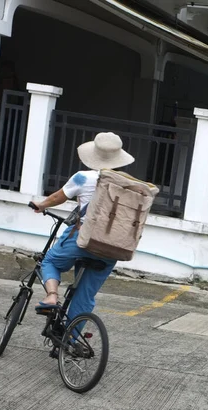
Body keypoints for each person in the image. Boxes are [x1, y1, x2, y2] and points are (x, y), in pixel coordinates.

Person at [32, 132, 135, 321]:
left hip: (83, 239)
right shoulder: (129, 185)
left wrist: (42, 205)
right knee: (85, 296)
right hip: (112, 247)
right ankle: (71, 341)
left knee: (50, 262)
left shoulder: (83, 177)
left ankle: (52, 297)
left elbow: (57, 197)